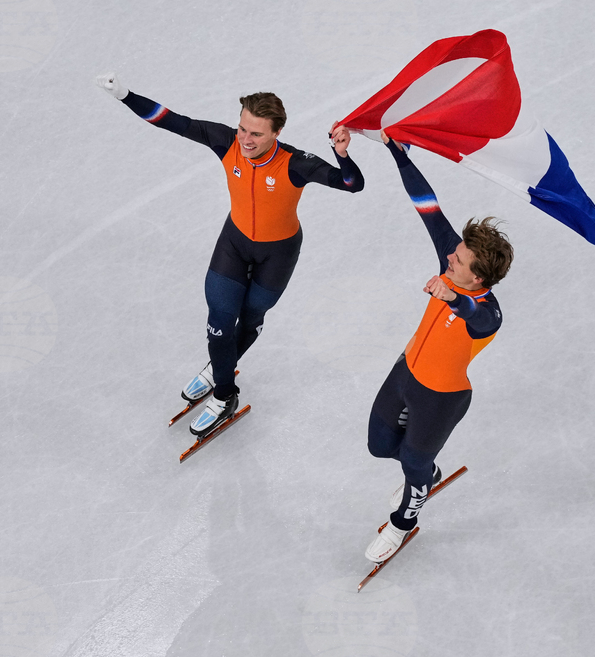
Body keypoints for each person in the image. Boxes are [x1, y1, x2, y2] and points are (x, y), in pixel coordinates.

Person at [96, 73, 364, 438]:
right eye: (242, 129)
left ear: (276, 133)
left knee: (250, 319)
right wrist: (124, 95)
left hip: (278, 253)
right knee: (220, 325)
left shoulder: (295, 163)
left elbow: (352, 184)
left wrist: (341, 153)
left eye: (256, 133)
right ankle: (224, 395)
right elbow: (172, 121)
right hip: (234, 244)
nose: (245, 139)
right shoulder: (226, 142)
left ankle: (221, 366)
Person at [364, 133, 513, 563]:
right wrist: (396, 151)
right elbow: (427, 204)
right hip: (405, 372)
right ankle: (426, 473)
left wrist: (454, 300)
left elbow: (477, 317)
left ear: (479, 278)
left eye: (459, 261)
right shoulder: (453, 262)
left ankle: (403, 521)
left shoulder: (488, 311)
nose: (450, 259)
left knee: (412, 462)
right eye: (455, 253)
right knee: (378, 445)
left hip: (441, 398)